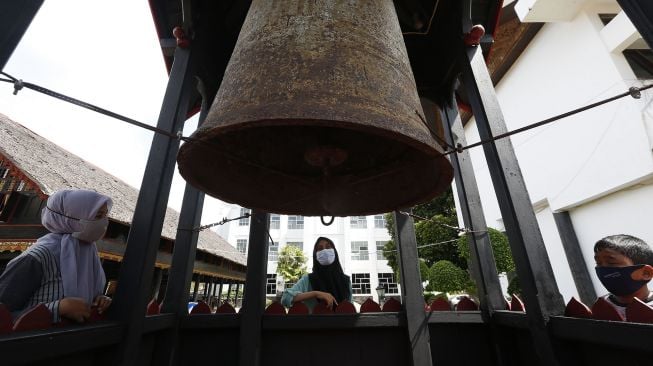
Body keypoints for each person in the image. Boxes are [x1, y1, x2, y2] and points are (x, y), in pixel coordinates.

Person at [0, 189, 113, 323]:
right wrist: (57, 309)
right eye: (98, 216)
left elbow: (87, 300)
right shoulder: (38, 257)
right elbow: (4, 313)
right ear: (69, 217)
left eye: (106, 215)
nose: (105, 222)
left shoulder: (89, 255)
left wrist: (100, 300)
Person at [281, 237, 352, 311]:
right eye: (320, 248)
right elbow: (285, 298)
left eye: (328, 247)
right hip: (314, 322)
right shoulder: (308, 280)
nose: (324, 250)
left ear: (335, 252)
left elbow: (350, 309)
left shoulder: (345, 281)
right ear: (315, 255)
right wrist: (316, 294)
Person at [594, 234, 653, 318]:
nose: (603, 269)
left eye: (612, 263)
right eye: (598, 263)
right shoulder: (600, 308)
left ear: (646, 273)